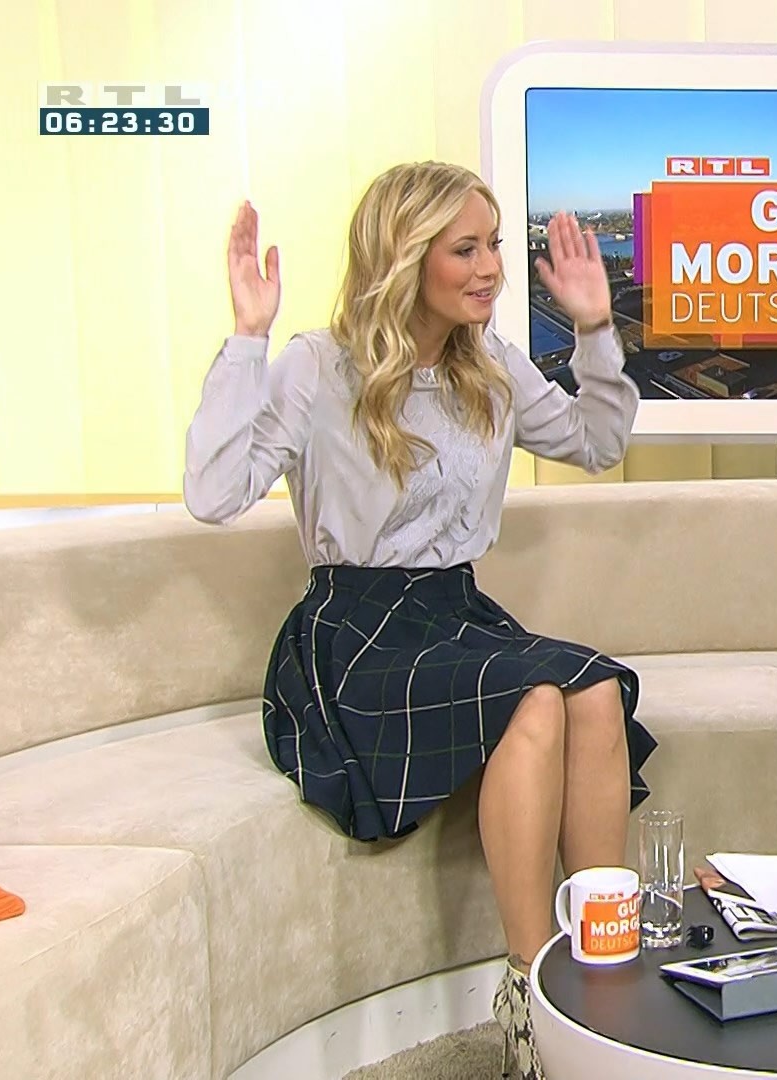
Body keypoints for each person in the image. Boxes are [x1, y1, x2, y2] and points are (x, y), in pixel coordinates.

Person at [183, 161, 652, 1080]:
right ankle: (534, 1005)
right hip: (353, 634)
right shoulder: (318, 366)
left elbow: (598, 442)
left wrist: (596, 327)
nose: (492, 269)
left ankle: (604, 973)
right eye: (465, 250)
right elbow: (214, 492)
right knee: (537, 697)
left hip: (454, 613)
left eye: (494, 247)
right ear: (405, 258)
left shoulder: (491, 366)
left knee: (593, 686)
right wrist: (247, 337)